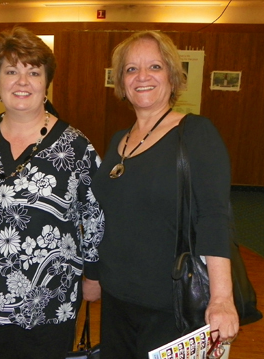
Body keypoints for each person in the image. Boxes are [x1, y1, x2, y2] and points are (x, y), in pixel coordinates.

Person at [88, 30, 239, 358]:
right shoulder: (118, 140)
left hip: (171, 306)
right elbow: (109, 217)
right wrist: (95, 276)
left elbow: (215, 217)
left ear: (172, 76)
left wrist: (222, 299)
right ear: (121, 83)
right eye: (131, 69)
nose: (142, 77)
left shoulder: (196, 134)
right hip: (116, 302)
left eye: (154, 67)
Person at [0, 26, 105, 359]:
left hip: (51, 299)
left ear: (46, 82)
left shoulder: (76, 147)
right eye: (11, 71)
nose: (22, 81)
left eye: (33, 71)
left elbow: (95, 215)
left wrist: (94, 275)